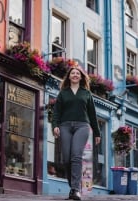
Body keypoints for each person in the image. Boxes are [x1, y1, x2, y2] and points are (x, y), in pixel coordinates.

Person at [52, 65, 101, 200]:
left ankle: (75, 189)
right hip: (65, 126)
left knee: (76, 156)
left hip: (82, 126)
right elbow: (56, 112)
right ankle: (73, 185)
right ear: (69, 76)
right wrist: (55, 125)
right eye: (72, 73)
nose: (75, 75)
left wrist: (97, 133)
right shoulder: (63, 93)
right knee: (67, 158)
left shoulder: (86, 93)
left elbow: (92, 114)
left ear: (81, 77)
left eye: (77, 74)